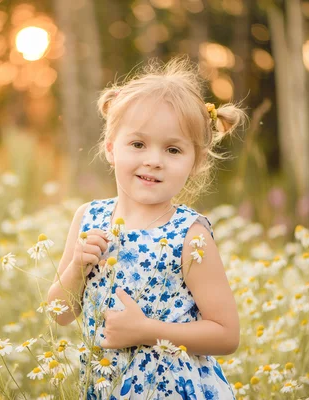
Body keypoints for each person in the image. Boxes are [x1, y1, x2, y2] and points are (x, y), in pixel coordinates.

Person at [47, 56, 244, 399]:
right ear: (111, 148)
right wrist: (78, 266)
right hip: (105, 386)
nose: (153, 159)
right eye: (138, 144)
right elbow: (59, 314)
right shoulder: (88, 218)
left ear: (194, 163)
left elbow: (226, 335)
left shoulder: (189, 234)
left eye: (172, 149)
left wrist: (145, 331)